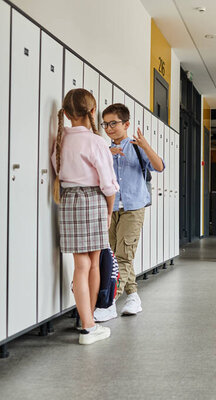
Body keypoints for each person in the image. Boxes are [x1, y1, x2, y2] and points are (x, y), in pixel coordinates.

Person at [51, 88, 119, 345]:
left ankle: (86, 320)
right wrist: (110, 210)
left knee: (81, 265)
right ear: (93, 112)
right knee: (92, 265)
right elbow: (108, 185)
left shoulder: (60, 139)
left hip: (68, 201)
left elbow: (58, 169)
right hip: (93, 200)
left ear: (66, 114)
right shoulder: (96, 141)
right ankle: (88, 324)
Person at [93, 103, 165, 322]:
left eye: (113, 123)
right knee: (115, 255)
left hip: (133, 208)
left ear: (126, 124)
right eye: (105, 124)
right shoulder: (103, 149)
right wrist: (106, 154)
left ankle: (109, 302)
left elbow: (159, 167)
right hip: (110, 209)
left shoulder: (136, 146)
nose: (109, 128)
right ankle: (133, 296)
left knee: (123, 254)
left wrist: (145, 145)